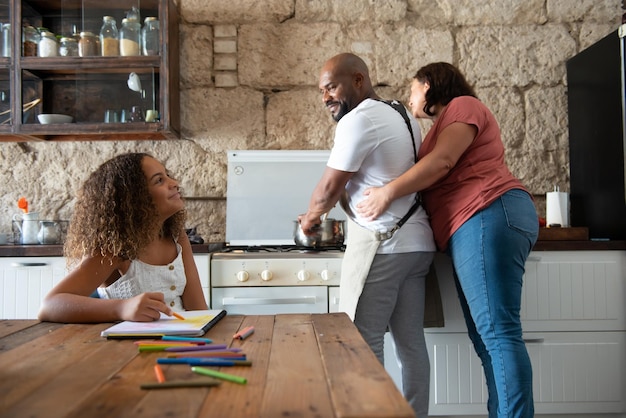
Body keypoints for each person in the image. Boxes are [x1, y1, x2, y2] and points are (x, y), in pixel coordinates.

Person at [357, 62, 539, 418]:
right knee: (487, 339)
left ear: (428, 85)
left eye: (412, 90)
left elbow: (442, 162)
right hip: (477, 221)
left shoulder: (463, 105)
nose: (410, 98)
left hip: (487, 212)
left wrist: (386, 193)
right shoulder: (441, 125)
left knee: (498, 334)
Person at [298, 53, 436, 417]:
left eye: (331, 87)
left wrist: (310, 218)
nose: (325, 97)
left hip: (385, 246)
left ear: (358, 80)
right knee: (411, 345)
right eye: (321, 91)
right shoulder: (403, 115)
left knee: (361, 341)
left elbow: (329, 188)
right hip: (417, 244)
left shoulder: (358, 121)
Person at [38, 152, 208, 323]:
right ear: (135, 197)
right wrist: (121, 308)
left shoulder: (176, 236)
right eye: (159, 180)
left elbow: (199, 310)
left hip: (181, 341)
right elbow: (50, 305)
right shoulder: (116, 248)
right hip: (131, 347)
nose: (175, 183)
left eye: (168, 176)